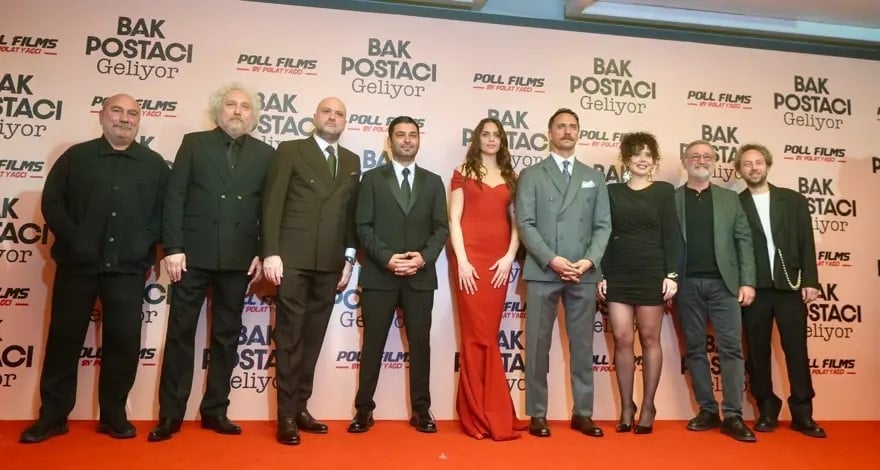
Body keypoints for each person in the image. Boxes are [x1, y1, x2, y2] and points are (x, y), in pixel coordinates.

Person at [21, 94, 170, 443]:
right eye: (116, 111)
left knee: (123, 342)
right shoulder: (76, 157)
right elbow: (53, 202)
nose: (124, 118)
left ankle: (113, 416)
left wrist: (143, 242)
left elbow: (164, 212)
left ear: (139, 120)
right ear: (102, 116)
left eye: (132, 113)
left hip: (128, 270)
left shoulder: (154, 165)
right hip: (77, 266)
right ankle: (53, 416)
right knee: (64, 339)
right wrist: (76, 240)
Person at [148, 83, 274, 442]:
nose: (238, 111)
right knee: (180, 335)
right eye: (231, 104)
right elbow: (174, 197)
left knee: (227, 337)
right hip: (191, 256)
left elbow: (269, 207)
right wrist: (173, 247)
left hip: (238, 258)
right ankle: (170, 415)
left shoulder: (266, 154)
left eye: (245, 106)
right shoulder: (194, 143)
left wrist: (262, 250)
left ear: (253, 116)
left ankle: (216, 410)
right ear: (218, 110)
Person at [262, 97, 361, 445]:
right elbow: (272, 203)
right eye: (326, 112)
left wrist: (349, 258)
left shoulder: (351, 160)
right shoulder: (290, 150)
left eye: (339, 114)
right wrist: (271, 252)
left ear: (345, 122)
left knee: (313, 338)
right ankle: (286, 416)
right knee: (289, 338)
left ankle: (301, 406)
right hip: (292, 259)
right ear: (315, 117)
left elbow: (350, 214)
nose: (332, 117)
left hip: (331, 263)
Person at [347, 116, 449, 434]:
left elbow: (441, 228)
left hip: (420, 277)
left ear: (419, 140)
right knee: (373, 344)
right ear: (389, 141)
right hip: (380, 275)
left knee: (420, 345)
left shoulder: (433, 182)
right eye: (401, 135)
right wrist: (387, 258)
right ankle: (363, 410)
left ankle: (422, 410)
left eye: (412, 135)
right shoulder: (371, 179)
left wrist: (423, 258)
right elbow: (363, 225)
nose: (407, 140)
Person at [515, 108, 611, 438]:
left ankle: (583, 412)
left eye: (572, 126)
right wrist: (551, 259)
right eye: (561, 126)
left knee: (583, 346)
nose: (567, 131)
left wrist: (589, 260)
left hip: (583, 272)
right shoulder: (532, 175)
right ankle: (537, 414)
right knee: (537, 346)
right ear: (550, 133)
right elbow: (525, 223)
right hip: (544, 269)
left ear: (579, 132)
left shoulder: (593, 176)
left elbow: (603, 225)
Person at [734, 144, 826, 438]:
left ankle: (803, 414)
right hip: (754, 288)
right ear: (739, 170)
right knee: (757, 352)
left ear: (767, 165)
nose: (754, 168)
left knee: (797, 350)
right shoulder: (735, 203)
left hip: (791, 286)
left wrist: (810, 280)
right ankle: (766, 411)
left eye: (758, 162)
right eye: (747, 164)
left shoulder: (793, 200)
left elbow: (806, 242)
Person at [674, 140, 757, 442]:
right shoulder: (671, 200)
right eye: (695, 156)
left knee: (731, 349)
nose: (701, 160)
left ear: (714, 161)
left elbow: (743, 241)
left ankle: (733, 415)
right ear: (685, 161)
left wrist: (747, 281)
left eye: (707, 156)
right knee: (695, 349)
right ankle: (707, 410)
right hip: (686, 286)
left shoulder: (729, 199)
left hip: (725, 286)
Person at [597, 132, 679, 434]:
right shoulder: (612, 192)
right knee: (621, 337)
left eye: (647, 154)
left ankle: (648, 406)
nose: (642, 160)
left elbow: (672, 234)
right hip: (619, 272)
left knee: (649, 339)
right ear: (626, 159)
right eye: (636, 154)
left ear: (654, 161)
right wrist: (602, 274)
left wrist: (672, 274)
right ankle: (626, 406)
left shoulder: (663, 191)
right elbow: (603, 234)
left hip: (651, 271)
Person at [449, 117, 522, 440]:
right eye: (486, 134)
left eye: (497, 135)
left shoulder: (511, 177)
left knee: (488, 335)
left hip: (498, 263)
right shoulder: (463, 171)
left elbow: (518, 223)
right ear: (477, 139)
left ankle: (492, 410)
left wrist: (509, 256)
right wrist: (462, 261)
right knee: (473, 336)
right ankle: (475, 415)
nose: (491, 139)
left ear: (502, 141)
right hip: (470, 262)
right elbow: (454, 219)